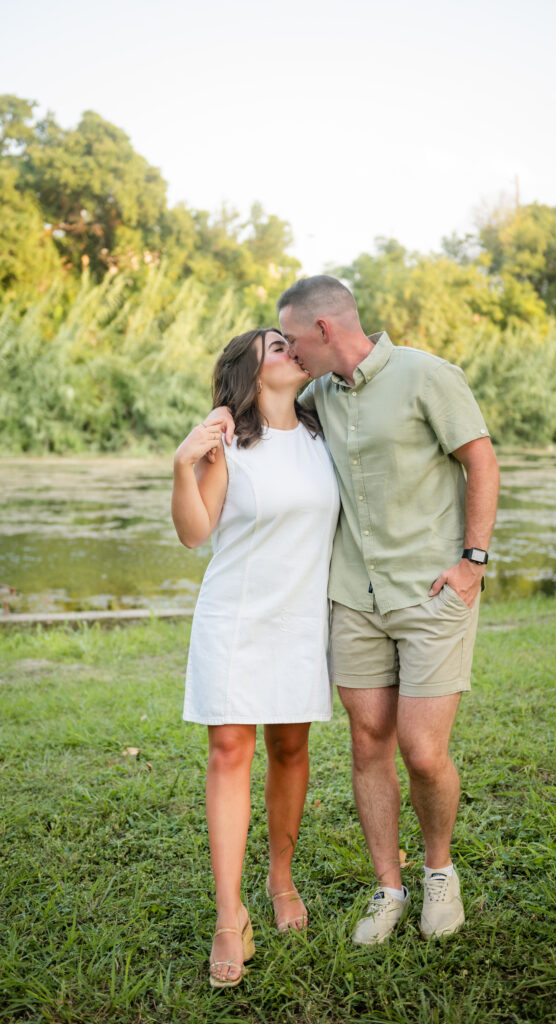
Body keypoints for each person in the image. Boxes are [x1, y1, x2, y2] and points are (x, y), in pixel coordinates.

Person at [210, 276, 499, 945]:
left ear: (325, 332)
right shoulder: (316, 397)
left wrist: (472, 561)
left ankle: (438, 872)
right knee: (368, 741)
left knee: (422, 751)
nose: (291, 352)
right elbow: (265, 416)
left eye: (292, 339)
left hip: (431, 593)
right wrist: (224, 417)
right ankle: (388, 886)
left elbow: (480, 462)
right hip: (353, 599)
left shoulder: (429, 376)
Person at [172, 327, 339, 987]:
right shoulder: (227, 444)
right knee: (229, 751)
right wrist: (183, 464)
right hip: (235, 618)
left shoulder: (327, 435)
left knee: (290, 750)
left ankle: (280, 878)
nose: (291, 349)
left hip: (301, 619)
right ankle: (227, 913)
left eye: (292, 342)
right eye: (276, 345)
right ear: (249, 369)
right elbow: (193, 533)